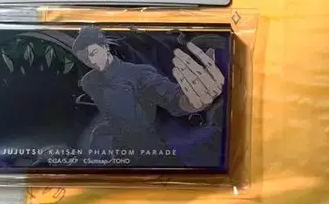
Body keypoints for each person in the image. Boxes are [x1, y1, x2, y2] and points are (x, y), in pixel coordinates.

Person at [71, 27, 224, 164]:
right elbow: (111, 112)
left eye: (94, 53)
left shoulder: (138, 73)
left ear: (105, 47)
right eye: (85, 59)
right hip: (120, 153)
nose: (91, 61)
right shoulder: (89, 82)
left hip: (150, 152)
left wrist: (193, 100)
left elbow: (170, 97)